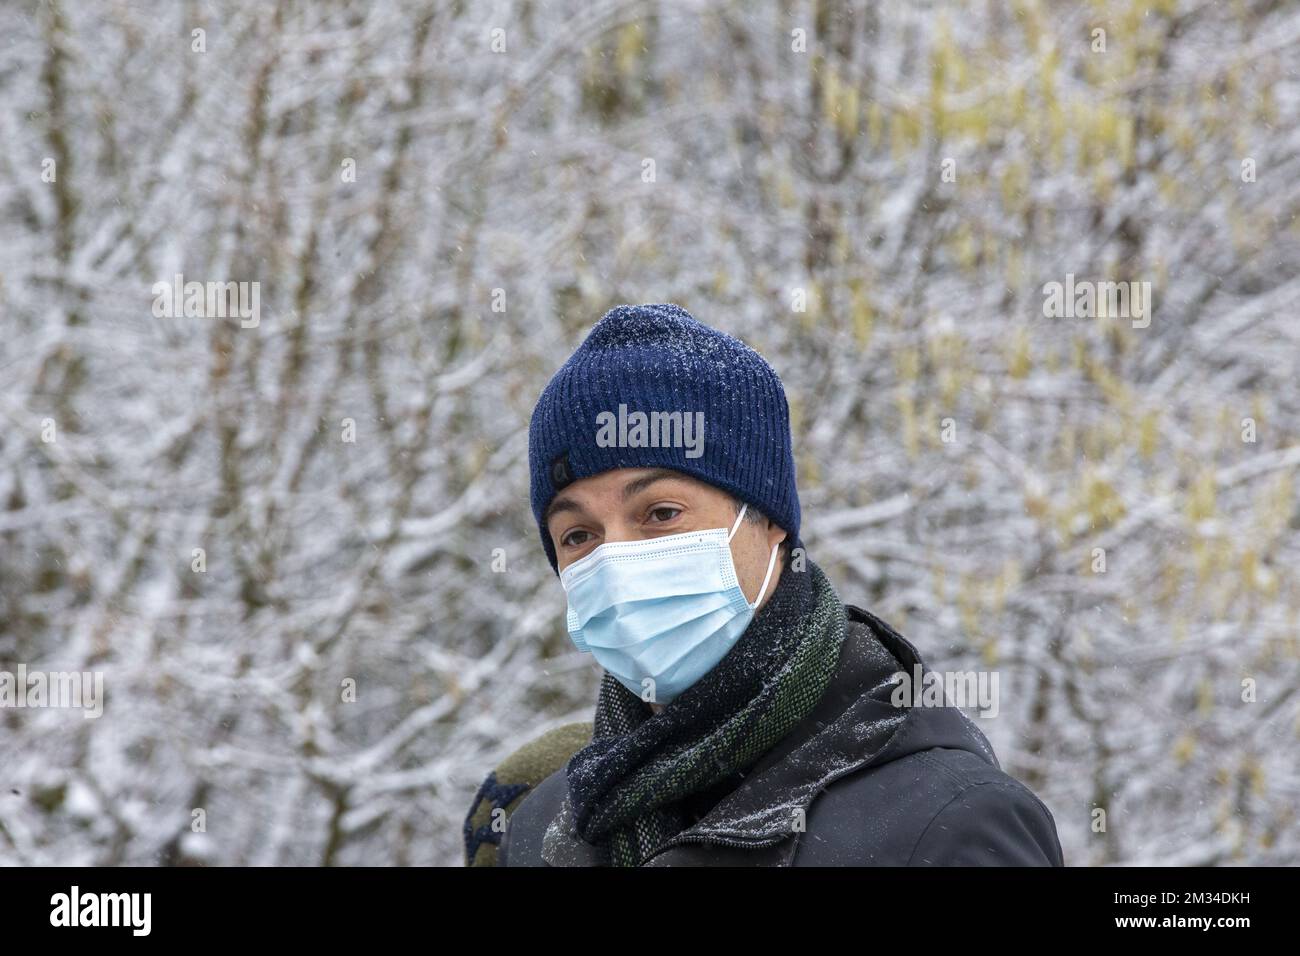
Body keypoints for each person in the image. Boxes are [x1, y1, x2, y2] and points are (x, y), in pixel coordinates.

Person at [463, 303, 1063, 867]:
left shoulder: (943, 823)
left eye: (661, 513)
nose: (616, 559)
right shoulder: (547, 826)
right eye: (577, 535)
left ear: (768, 518)